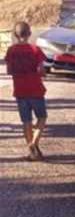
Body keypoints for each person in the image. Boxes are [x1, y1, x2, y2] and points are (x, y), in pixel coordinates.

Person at [4, 21, 47, 161]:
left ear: (15, 35)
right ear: (29, 33)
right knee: (41, 118)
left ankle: (31, 151)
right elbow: (41, 70)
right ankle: (33, 144)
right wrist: (42, 73)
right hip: (36, 90)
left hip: (20, 91)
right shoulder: (35, 50)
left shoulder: (11, 51)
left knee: (26, 121)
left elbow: (9, 70)